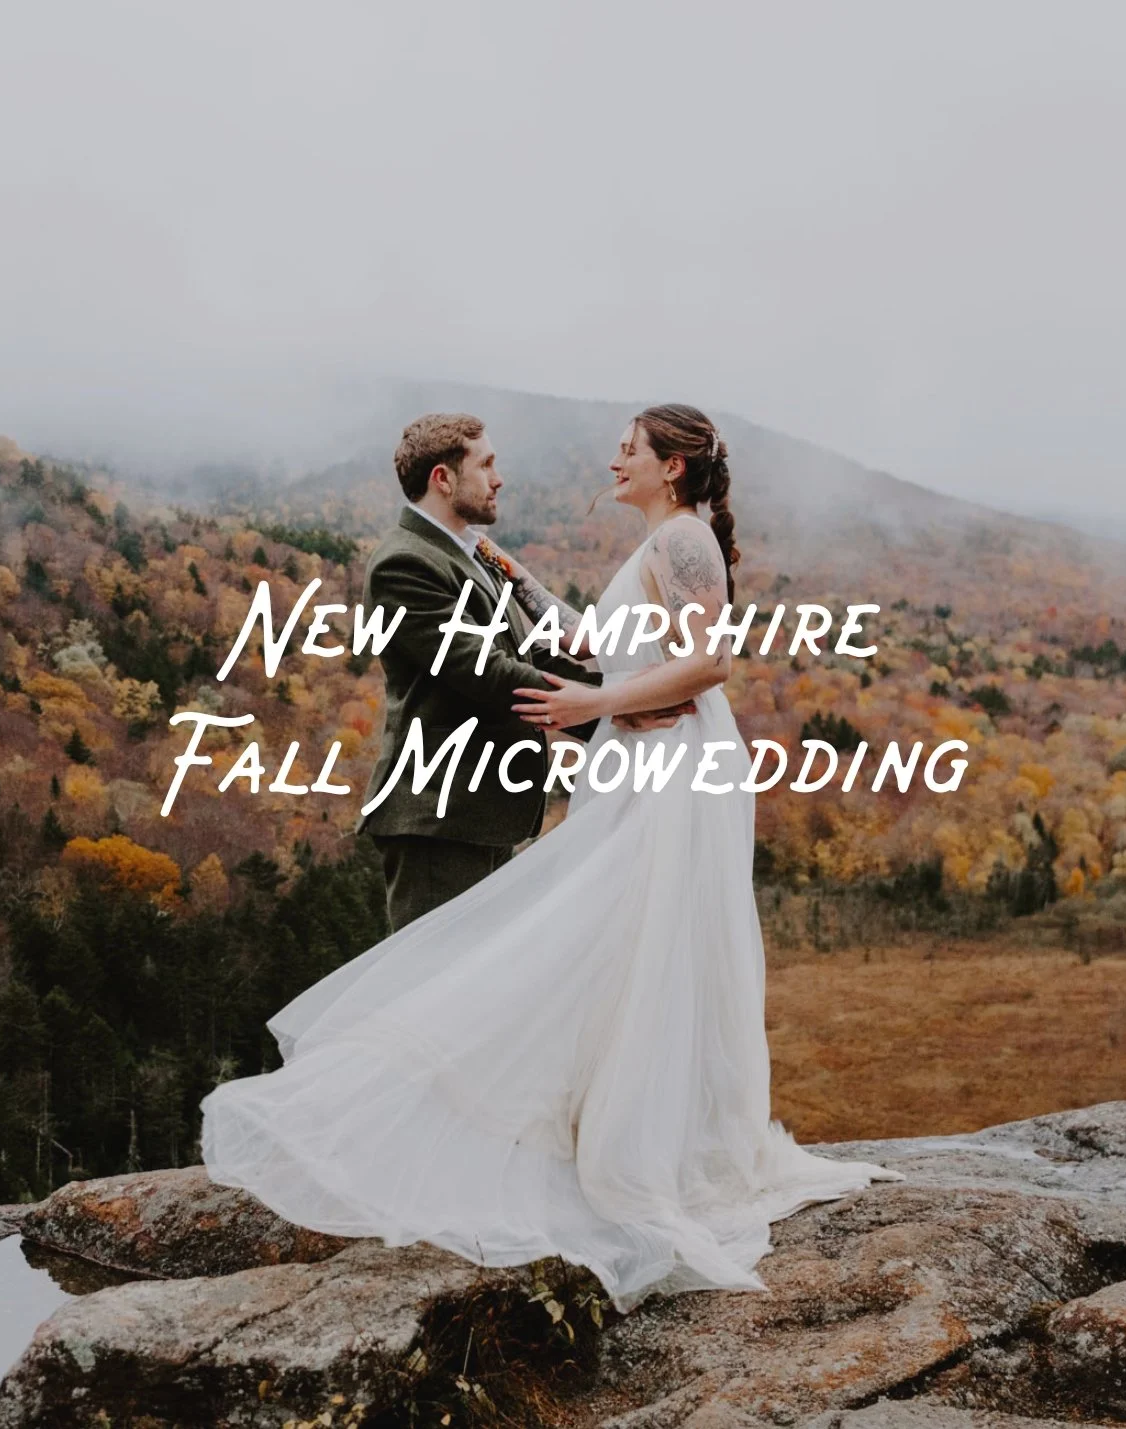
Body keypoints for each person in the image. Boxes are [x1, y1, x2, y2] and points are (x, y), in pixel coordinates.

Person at [200, 404, 896, 1312]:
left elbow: (706, 661)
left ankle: (623, 1143)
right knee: (586, 953)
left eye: (630, 448)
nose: (613, 456)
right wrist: (575, 655)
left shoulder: (684, 544)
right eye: (486, 462)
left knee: (632, 947)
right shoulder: (602, 547)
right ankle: (481, 1147)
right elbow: (560, 655)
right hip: (576, 773)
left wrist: (597, 700)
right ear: (443, 476)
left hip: (665, 769)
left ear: (673, 468)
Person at [355, 412, 686, 931]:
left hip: (477, 814)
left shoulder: (473, 556)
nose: (498, 478)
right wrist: (610, 711)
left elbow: (531, 657)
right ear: (442, 478)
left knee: (478, 997)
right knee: (435, 991)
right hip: (438, 816)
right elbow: (485, 672)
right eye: (485, 464)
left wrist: (623, 695)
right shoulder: (405, 563)